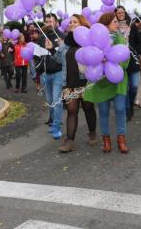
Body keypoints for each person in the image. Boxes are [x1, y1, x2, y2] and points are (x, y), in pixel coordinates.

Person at [48, 14, 98, 152]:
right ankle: (70, 141)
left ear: (82, 24)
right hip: (69, 82)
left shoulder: (88, 40)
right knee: (71, 111)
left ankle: (92, 132)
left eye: (75, 22)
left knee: (88, 108)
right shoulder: (66, 42)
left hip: (86, 82)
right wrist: (52, 49)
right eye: (70, 22)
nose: (71, 24)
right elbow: (59, 59)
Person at [84, 12, 129, 153]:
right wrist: (100, 60)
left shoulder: (121, 39)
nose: (117, 23)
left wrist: (113, 63)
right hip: (101, 82)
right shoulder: (94, 42)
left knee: (120, 110)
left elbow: (125, 61)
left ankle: (121, 140)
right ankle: (106, 141)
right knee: (103, 112)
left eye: (117, 21)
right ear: (106, 24)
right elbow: (88, 59)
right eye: (114, 21)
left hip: (118, 79)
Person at [37, 13, 66, 139]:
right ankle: (54, 122)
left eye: (51, 21)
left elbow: (64, 55)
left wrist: (55, 47)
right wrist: (38, 70)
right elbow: (36, 55)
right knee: (50, 102)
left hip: (58, 73)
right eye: (46, 21)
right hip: (45, 74)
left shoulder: (61, 36)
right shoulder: (41, 38)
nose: (48, 23)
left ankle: (56, 127)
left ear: (56, 23)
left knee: (56, 101)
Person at [126, 15, 141, 121]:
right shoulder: (115, 28)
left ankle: (131, 103)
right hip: (119, 64)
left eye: (122, 12)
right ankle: (128, 109)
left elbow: (140, 42)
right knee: (125, 89)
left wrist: (134, 51)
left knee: (134, 86)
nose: (120, 14)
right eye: (118, 13)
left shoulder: (132, 28)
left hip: (133, 62)